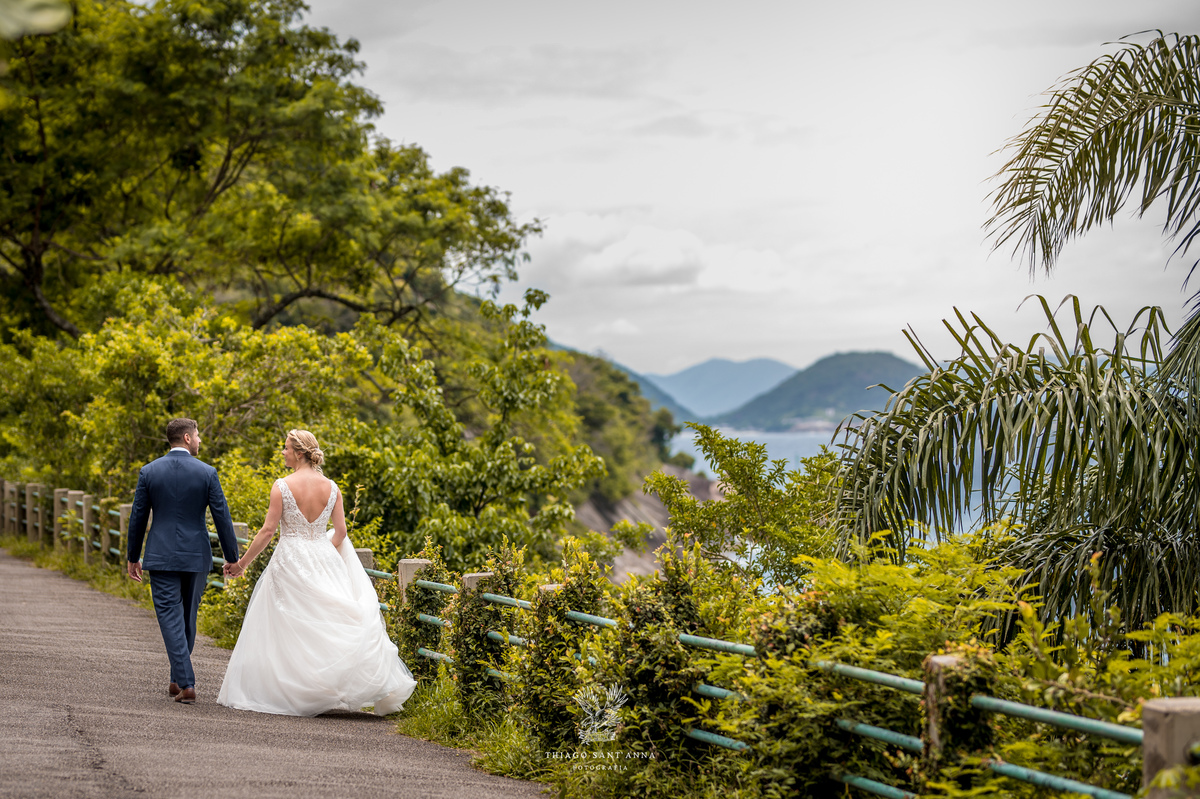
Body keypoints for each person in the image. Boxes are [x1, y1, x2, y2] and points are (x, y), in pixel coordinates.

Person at [217, 429, 416, 716]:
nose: (282, 452)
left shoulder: (282, 486)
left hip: (290, 557)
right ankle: (326, 687)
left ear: (299, 452)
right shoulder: (332, 488)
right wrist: (320, 550)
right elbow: (342, 533)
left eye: (285, 448)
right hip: (323, 556)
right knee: (324, 619)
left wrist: (241, 564)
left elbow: (268, 531)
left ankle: (298, 691)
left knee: (291, 624)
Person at [127, 418, 241, 705]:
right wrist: (232, 558)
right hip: (196, 556)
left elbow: (138, 518)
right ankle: (181, 678)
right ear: (188, 438)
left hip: (161, 555)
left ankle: (184, 681)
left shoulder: (149, 471)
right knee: (186, 617)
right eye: (199, 435)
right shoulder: (207, 473)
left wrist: (132, 557)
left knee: (172, 618)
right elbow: (221, 516)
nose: (200, 440)